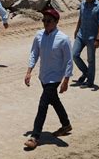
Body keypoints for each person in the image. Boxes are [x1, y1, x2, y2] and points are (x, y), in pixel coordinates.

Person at [24, 8, 73, 149]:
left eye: (49, 21)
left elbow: (69, 60)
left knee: (43, 105)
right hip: (43, 76)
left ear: (56, 22)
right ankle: (66, 124)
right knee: (54, 101)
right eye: (44, 20)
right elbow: (34, 53)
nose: (45, 23)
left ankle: (35, 136)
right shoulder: (39, 35)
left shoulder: (63, 39)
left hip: (55, 77)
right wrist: (29, 71)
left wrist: (66, 80)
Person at [73, 0, 99, 89]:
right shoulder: (83, 4)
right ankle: (86, 72)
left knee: (91, 60)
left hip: (92, 38)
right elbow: (80, 18)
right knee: (74, 54)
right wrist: (76, 30)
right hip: (81, 35)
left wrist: (98, 39)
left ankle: (90, 82)